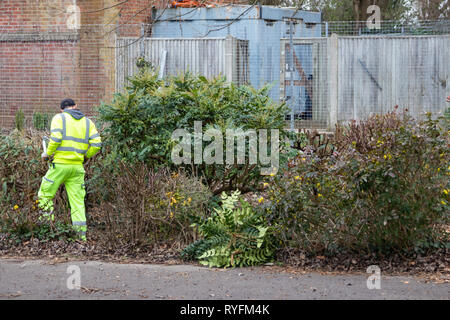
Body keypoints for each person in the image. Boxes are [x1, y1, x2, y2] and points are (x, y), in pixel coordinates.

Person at [38, 99, 101, 241]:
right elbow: (97, 144)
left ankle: (46, 230)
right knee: (77, 202)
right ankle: (80, 237)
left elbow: (56, 138)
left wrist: (47, 153)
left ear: (62, 109)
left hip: (59, 166)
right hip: (77, 167)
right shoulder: (88, 122)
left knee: (45, 194)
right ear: (75, 107)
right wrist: (86, 156)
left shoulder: (59, 118)